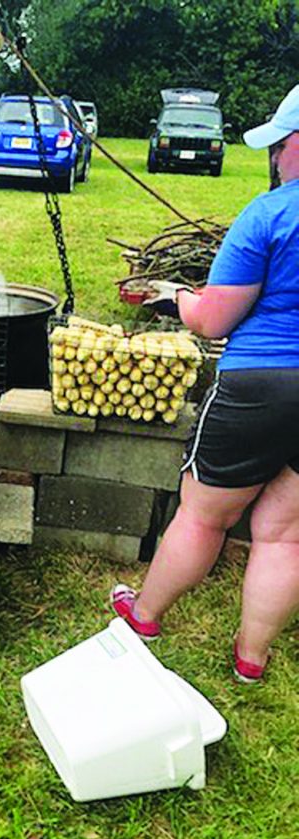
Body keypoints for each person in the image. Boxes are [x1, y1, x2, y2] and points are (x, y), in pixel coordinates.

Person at [111, 83, 299, 683]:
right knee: (284, 534)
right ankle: (251, 657)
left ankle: (143, 615)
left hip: (260, 383)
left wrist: (182, 298)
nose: (273, 159)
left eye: (278, 146)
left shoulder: (270, 215)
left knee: (202, 515)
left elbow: (215, 318)